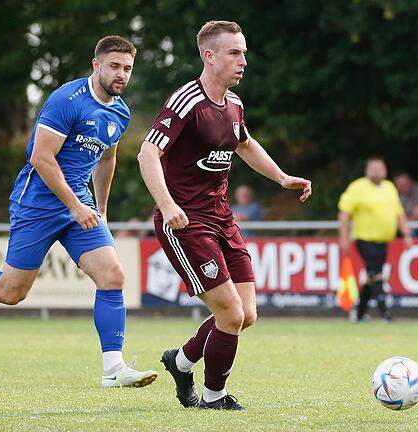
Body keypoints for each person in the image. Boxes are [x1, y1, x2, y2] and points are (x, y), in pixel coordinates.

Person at [0, 36, 158, 388]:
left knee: (112, 275)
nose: (121, 75)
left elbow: (107, 157)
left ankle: (113, 368)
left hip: (80, 208)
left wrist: (99, 208)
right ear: (96, 65)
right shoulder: (66, 100)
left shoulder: (119, 111)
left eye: (128, 69)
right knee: (11, 293)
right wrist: (74, 204)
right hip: (38, 204)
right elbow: (41, 157)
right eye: (115, 66)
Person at [137, 20, 312, 411]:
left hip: (221, 219)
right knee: (230, 313)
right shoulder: (187, 101)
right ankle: (213, 397)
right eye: (235, 53)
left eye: (244, 53)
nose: (243, 61)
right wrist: (167, 204)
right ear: (209, 56)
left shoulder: (234, 105)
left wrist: (281, 177)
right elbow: (147, 153)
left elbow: (245, 144)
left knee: (246, 314)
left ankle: (180, 362)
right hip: (186, 222)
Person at [338, 157, 412, 323]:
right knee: (377, 274)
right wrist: (343, 238)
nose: (377, 171)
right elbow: (344, 214)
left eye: (380, 168)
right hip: (365, 239)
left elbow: (399, 213)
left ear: (385, 171)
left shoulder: (389, 187)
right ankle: (385, 313)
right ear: (367, 170)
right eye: (373, 168)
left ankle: (359, 314)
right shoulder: (357, 187)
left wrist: (406, 234)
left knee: (372, 277)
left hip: (383, 241)